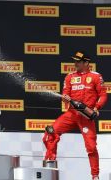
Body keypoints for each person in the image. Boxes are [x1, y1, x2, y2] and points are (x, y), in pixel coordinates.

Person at [43, 51, 107, 180]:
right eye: (75, 61)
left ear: (86, 63)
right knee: (50, 133)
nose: (75, 63)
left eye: (78, 61)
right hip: (71, 114)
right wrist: (65, 98)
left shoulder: (95, 76)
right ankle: (50, 164)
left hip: (86, 117)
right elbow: (65, 94)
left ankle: (95, 176)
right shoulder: (69, 77)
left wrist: (96, 108)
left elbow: (103, 95)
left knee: (91, 147)